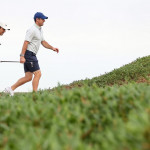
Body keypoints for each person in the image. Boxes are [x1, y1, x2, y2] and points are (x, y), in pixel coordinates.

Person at [4, 12, 59, 96]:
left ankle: (10, 89)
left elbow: (43, 42)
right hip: (29, 54)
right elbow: (26, 42)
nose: (44, 20)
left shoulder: (40, 30)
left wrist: (52, 48)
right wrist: (22, 56)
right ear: (37, 19)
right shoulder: (32, 29)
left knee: (28, 77)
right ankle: (35, 95)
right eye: (43, 19)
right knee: (38, 73)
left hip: (31, 54)